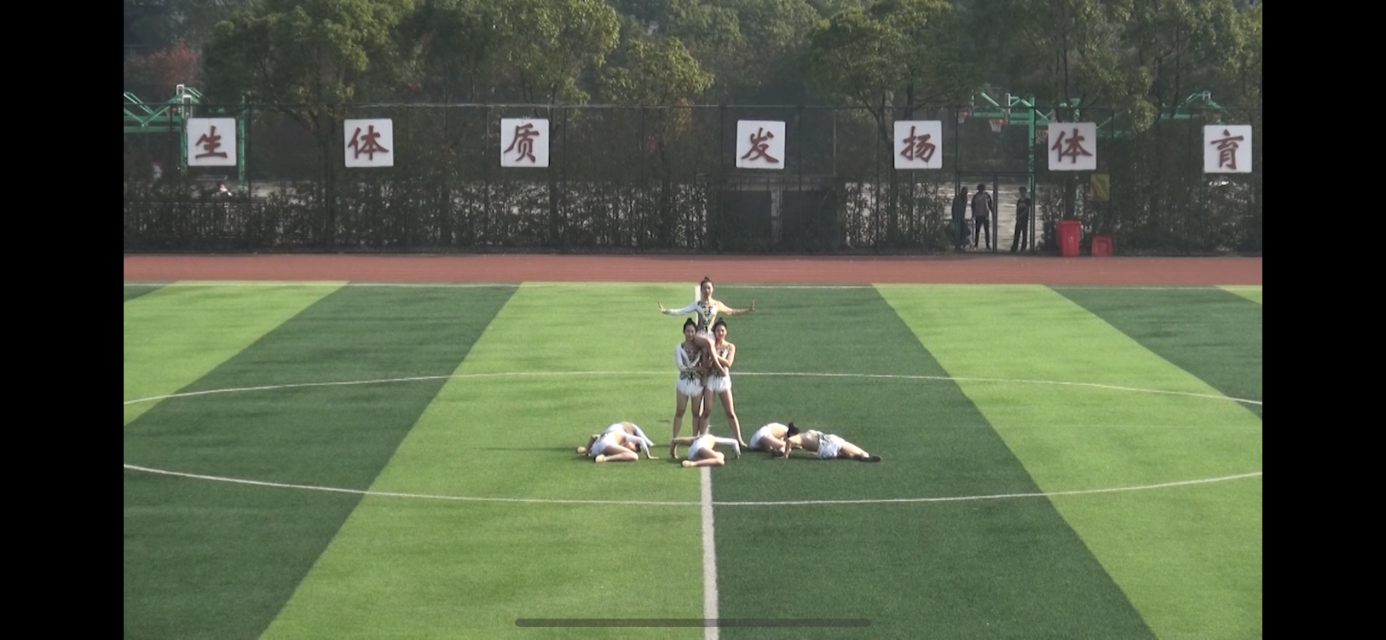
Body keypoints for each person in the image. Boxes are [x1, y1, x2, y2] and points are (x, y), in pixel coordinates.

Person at [658, 277, 754, 370]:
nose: (707, 290)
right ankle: (719, 366)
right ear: (701, 289)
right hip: (699, 334)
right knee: (708, 343)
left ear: (712, 289)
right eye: (704, 288)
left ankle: (705, 375)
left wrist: (747, 310)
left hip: (711, 334)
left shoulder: (717, 304)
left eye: (709, 288)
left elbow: (731, 312)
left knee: (705, 351)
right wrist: (666, 311)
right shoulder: (697, 304)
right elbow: (682, 311)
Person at [702, 319, 747, 446]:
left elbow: (728, 363)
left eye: (722, 330)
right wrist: (709, 355)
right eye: (718, 331)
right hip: (711, 379)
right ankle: (701, 437)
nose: (720, 333)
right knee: (707, 411)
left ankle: (739, 439)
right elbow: (706, 365)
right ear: (714, 332)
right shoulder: (710, 346)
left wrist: (714, 355)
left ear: (726, 331)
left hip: (723, 380)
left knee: (730, 412)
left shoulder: (730, 346)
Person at [672, 318, 710, 441]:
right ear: (684, 332)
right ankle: (675, 439)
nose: (690, 334)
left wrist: (699, 370)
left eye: (692, 331)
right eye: (688, 331)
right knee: (680, 411)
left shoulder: (701, 349)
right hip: (683, 383)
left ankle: (695, 439)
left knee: (695, 413)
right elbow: (680, 367)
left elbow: (705, 367)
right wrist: (697, 369)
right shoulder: (679, 348)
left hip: (697, 384)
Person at [778, 424, 881, 462]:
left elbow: (790, 441)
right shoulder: (810, 432)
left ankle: (850, 456)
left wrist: (786, 455)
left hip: (825, 449)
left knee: (838, 454)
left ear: (792, 434)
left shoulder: (799, 438)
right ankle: (864, 455)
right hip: (831, 439)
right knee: (849, 449)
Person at [577, 423, 656, 462]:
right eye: (635, 446)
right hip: (605, 446)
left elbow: (594, 437)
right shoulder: (624, 436)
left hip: (595, 449)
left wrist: (587, 450)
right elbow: (641, 440)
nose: (633, 449)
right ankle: (605, 458)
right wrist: (648, 455)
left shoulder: (613, 434)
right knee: (634, 456)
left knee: (631, 454)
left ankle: (587, 451)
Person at [668, 433, 741, 468]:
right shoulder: (712, 438)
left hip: (690, 454)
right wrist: (737, 454)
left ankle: (694, 462)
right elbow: (734, 442)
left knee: (720, 455)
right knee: (720, 460)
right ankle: (693, 464)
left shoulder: (697, 439)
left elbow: (675, 441)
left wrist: (673, 455)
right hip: (700, 449)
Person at [972, 183, 993, 250]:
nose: (980, 190)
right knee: (977, 230)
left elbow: (990, 204)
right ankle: (976, 244)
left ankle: (987, 245)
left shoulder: (987, 195)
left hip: (985, 215)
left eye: (981, 189)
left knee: (986, 231)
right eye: (980, 189)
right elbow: (973, 205)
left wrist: (992, 212)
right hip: (978, 215)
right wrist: (973, 213)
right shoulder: (975, 196)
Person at [1011, 186, 1032, 252]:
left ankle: (1023, 248)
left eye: (1022, 191)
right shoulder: (1019, 201)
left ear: (1025, 192)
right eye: (1020, 192)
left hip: (1024, 219)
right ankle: (1014, 247)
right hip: (1019, 219)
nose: (1021, 193)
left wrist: (1020, 216)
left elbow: (1027, 209)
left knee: (1024, 234)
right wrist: (1017, 216)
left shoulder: (1028, 200)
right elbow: (1017, 209)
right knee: (1017, 233)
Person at [951, 185, 970, 250]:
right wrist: (954, 216)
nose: (965, 194)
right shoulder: (957, 198)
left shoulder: (965, 198)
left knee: (963, 229)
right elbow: (953, 207)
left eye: (966, 192)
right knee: (958, 230)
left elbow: (964, 208)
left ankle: (961, 242)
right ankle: (958, 243)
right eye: (965, 192)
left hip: (962, 216)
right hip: (956, 216)